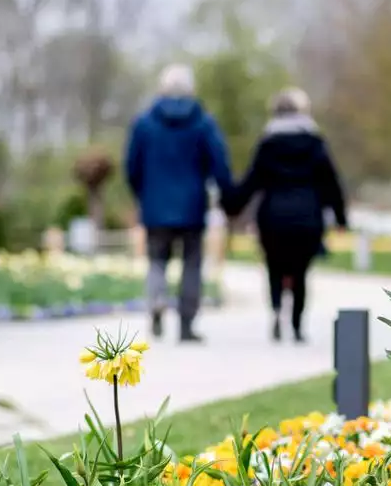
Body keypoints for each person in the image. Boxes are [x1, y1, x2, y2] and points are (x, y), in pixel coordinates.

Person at [223, 88, 347, 343]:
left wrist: (230, 205)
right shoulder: (315, 144)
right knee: (301, 272)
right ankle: (298, 326)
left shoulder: (267, 145)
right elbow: (331, 182)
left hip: (273, 218)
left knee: (275, 268)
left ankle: (277, 311)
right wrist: (341, 218)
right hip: (307, 217)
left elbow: (251, 181)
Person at [124, 64, 233, 343]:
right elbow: (219, 162)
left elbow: (131, 166)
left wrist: (142, 193)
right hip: (192, 205)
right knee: (192, 264)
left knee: (157, 260)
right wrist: (226, 194)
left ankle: (157, 302)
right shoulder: (203, 122)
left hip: (155, 204)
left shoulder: (144, 123)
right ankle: (186, 324)